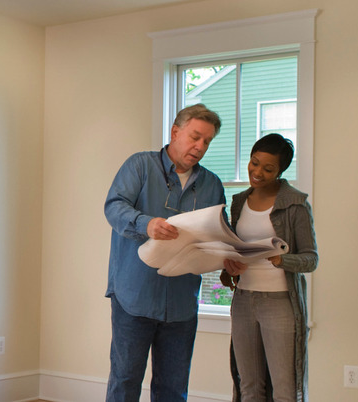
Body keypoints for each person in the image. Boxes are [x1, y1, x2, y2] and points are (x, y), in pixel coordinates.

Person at [103, 104, 226, 401]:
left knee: (173, 389)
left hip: (182, 305)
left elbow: (221, 233)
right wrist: (146, 224)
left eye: (207, 141)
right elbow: (114, 207)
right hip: (134, 297)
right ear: (175, 132)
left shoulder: (212, 185)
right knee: (125, 382)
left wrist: (228, 256)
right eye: (195, 137)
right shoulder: (140, 166)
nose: (200, 146)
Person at [220, 133, 318, 402]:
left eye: (268, 168)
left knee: (285, 390)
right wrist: (229, 269)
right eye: (254, 163)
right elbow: (235, 249)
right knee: (249, 387)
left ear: (280, 171)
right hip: (243, 301)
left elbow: (311, 259)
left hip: (280, 303)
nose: (257, 172)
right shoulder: (239, 202)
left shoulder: (296, 204)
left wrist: (281, 259)